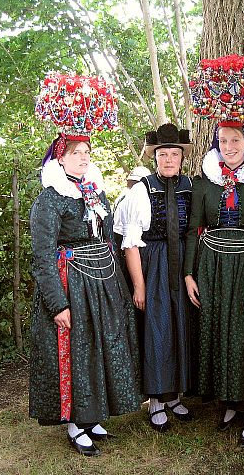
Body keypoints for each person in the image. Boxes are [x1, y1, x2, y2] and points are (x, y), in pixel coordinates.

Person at [28, 133, 142, 456]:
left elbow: (107, 238)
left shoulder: (94, 192)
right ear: (60, 158)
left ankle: (92, 418)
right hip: (72, 286)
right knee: (77, 352)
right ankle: (76, 424)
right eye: (75, 153)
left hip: (100, 284)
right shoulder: (50, 199)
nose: (83, 157)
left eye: (87, 152)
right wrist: (57, 303)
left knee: (97, 349)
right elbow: (42, 256)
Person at [183, 120, 244, 447]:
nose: (229, 146)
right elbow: (193, 229)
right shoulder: (204, 184)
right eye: (223, 140)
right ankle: (229, 400)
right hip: (211, 265)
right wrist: (189, 273)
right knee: (219, 330)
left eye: (235, 140)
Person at [114, 123, 194, 432]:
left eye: (175, 154)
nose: (169, 160)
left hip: (182, 263)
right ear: (154, 157)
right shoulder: (142, 190)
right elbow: (131, 243)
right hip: (155, 264)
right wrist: (140, 286)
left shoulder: (189, 185)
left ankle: (174, 395)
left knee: (179, 327)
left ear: (182, 158)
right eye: (163, 154)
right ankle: (156, 401)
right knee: (157, 330)